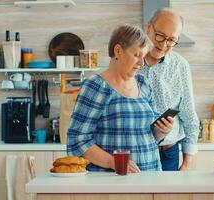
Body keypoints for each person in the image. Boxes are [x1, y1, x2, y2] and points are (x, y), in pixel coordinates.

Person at [67, 25, 174, 172]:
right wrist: (114, 162)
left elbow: (150, 135)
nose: (141, 63)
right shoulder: (96, 86)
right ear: (118, 51)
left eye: (143, 56)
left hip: (150, 174)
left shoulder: (143, 84)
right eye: (136, 55)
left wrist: (163, 130)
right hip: (113, 181)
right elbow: (77, 140)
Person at [138, 8, 200, 171]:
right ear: (149, 27)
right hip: (134, 153)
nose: (164, 44)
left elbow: (189, 114)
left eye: (171, 40)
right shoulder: (130, 61)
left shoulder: (180, 66)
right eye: (160, 35)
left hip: (168, 154)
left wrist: (186, 163)